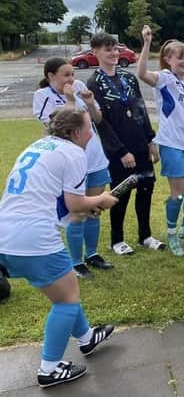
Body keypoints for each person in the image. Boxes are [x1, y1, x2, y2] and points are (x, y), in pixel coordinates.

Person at [0, 107, 118, 387]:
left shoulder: (40, 145)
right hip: (33, 237)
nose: (91, 133)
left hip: (7, 231)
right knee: (67, 299)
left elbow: (61, 204)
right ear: (76, 133)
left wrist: (86, 208)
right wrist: (100, 198)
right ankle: (49, 368)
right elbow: (77, 203)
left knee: (65, 292)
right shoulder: (75, 153)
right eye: (89, 127)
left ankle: (87, 337)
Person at [32, 58, 112, 278]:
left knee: (94, 210)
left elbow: (97, 118)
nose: (72, 79)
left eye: (73, 74)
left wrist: (89, 102)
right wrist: (69, 99)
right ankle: (76, 262)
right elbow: (58, 128)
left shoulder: (79, 88)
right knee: (77, 212)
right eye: (66, 75)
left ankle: (92, 254)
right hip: (71, 162)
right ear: (51, 76)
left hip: (95, 158)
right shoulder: (42, 96)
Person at [87, 33, 166, 254]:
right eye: (107, 49)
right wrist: (121, 151)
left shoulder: (128, 78)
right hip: (119, 151)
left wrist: (151, 140)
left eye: (115, 49)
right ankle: (117, 240)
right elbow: (101, 123)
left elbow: (140, 108)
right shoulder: (95, 83)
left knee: (145, 189)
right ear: (95, 52)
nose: (113, 53)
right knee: (120, 194)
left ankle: (145, 235)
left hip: (140, 146)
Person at [137, 25, 184, 256]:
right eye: (180, 57)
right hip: (172, 144)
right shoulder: (165, 78)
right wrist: (147, 44)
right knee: (177, 193)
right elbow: (142, 74)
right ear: (168, 59)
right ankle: (172, 232)